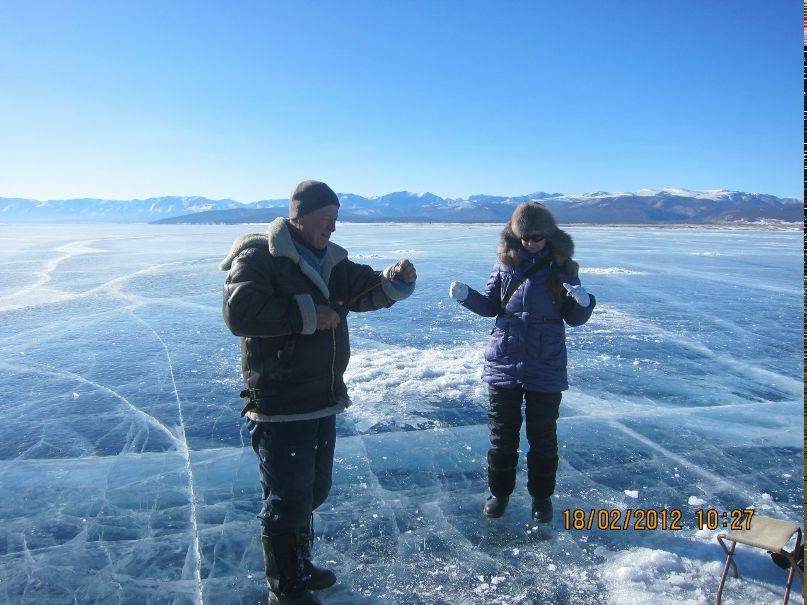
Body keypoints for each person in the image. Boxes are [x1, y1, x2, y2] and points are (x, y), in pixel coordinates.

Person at [220, 180, 417, 605]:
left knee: (312, 491)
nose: (333, 225)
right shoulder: (260, 257)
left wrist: (394, 280)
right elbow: (240, 311)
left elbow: (365, 288)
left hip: (321, 397)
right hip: (279, 402)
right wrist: (309, 315)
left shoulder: (331, 261)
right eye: (327, 217)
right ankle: (286, 586)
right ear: (300, 218)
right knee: (287, 499)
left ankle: (300, 563)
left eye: (336, 217)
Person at [448, 201, 595, 523]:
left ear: (548, 235)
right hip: (505, 359)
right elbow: (491, 306)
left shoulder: (563, 267)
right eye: (525, 237)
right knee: (502, 435)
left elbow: (574, 318)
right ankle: (499, 494)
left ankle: (542, 498)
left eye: (537, 237)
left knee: (543, 437)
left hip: (546, 362)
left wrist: (584, 303)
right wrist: (466, 297)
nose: (531, 242)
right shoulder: (504, 265)